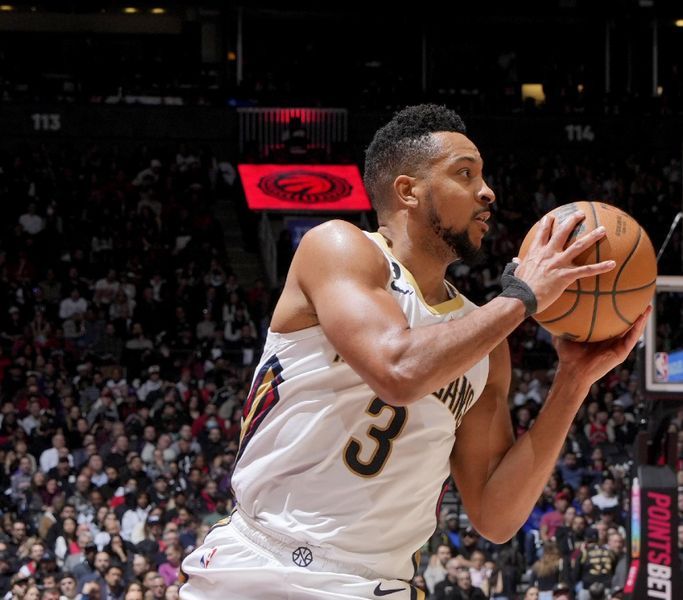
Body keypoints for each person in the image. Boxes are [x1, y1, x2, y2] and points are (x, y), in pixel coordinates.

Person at [180, 104, 647, 599]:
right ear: (408, 190)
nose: (487, 192)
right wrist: (521, 298)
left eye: (483, 176)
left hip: (382, 586)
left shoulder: (486, 343)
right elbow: (397, 371)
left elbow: (495, 515)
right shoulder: (338, 247)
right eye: (465, 174)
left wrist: (572, 382)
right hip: (267, 570)